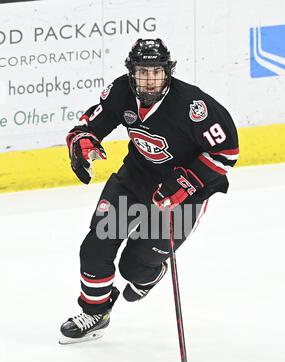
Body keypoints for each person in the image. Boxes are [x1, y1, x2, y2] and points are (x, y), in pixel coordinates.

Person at [59, 38, 239, 344]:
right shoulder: (121, 92)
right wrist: (82, 140)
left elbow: (226, 152)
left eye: (156, 72)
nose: (149, 79)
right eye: (142, 71)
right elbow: (92, 123)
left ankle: (151, 273)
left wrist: (185, 182)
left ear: (168, 72)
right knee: (96, 246)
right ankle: (95, 312)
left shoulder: (193, 107)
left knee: (134, 265)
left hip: (183, 198)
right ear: (131, 72)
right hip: (135, 181)